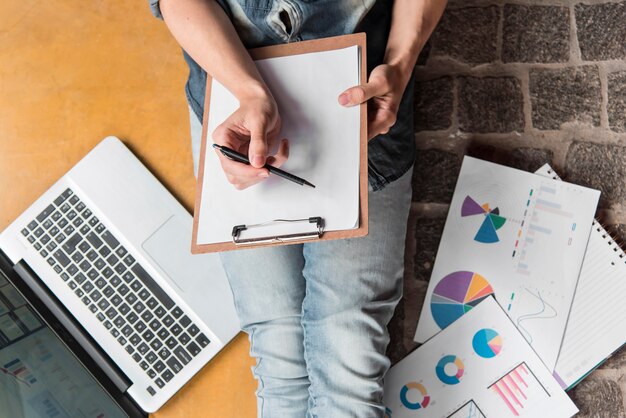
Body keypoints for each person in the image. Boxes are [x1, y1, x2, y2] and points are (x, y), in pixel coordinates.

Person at [149, 1, 446, 416]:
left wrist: (399, 62)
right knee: (280, 341)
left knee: (348, 351)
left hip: (364, 103)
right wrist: (248, 90)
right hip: (234, 102)